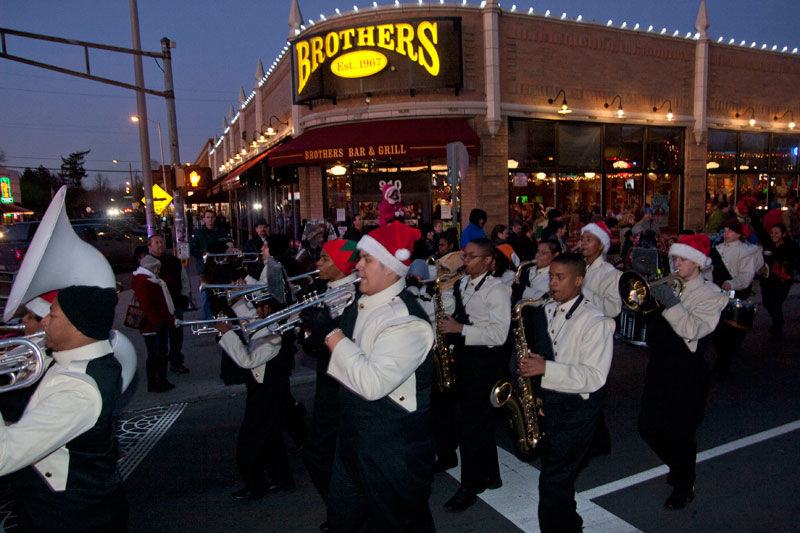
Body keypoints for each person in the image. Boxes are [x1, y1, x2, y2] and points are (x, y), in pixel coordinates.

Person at [298, 221, 436, 531]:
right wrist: (314, 333)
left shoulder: (408, 322)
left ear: (390, 268)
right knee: (342, 521)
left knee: (398, 522)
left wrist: (330, 333)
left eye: (367, 260)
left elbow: (372, 383)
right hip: (354, 440)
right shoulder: (360, 306)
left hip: (392, 449)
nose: (357, 266)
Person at [1, 286, 128, 531]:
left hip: (70, 516)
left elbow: (3, 456)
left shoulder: (79, 389)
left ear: (77, 326)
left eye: (52, 315)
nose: (44, 322)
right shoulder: (70, 359)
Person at [517, 253, 614, 532]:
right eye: (550, 276)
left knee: (552, 483)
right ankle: (571, 523)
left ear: (579, 280)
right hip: (553, 404)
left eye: (560, 277)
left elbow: (595, 377)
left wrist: (545, 368)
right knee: (559, 478)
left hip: (578, 411)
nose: (552, 282)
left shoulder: (596, 322)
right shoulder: (546, 309)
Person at [637, 235, 728, 510]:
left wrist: (670, 304)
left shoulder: (712, 295)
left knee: (682, 431)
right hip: (660, 365)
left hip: (688, 370)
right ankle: (679, 468)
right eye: (674, 258)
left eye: (682, 259)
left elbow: (693, 330)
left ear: (698, 263)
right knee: (648, 426)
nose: (676, 263)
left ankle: (684, 484)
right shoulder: (667, 284)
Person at [438, 238, 511, 511]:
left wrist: (460, 330)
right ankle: (492, 475)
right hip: (468, 358)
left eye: (470, 257)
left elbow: (500, 334)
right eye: (465, 256)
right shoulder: (463, 284)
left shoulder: (497, 291)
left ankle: (470, 485)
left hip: (486, 362)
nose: (464, 261)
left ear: (489, 261)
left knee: (470, 425)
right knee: (476, 423)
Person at [217, 289, 296, 501]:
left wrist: (226, 333)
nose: (254, 309)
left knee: (250, 440)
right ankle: (282, 479)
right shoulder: (265, 323)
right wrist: (237, 296)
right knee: (271, 437)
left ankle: (256, 484)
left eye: (258, 305)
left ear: (269, 308)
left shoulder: (275, 335)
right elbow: (248, 320)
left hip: (266, 391)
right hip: (262, 389)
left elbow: (246, 360)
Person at [301, 240, 359, 514]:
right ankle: (341, 510)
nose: (318, 263)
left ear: (340, 264)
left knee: (333, 453)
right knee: (321, 453)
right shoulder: (318, 290)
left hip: (348, 385)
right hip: (327, 383)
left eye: (324, 259)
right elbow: (310, 341)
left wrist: (321, 332)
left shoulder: (357, 294)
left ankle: (346, 512)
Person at [578, 222, 621, 458]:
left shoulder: (610, 274)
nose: (582, 243)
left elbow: (613, 308)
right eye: (582, 239)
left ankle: (593, 441)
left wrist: (582, 288)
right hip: (577, 332)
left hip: (596, 336)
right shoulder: (580, 267)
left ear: (601, 245)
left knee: (591, 388)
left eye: (588, 239)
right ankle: (598, 439)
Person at [709, 217, 760, 373]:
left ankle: (724, 361)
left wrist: (733, 283)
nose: (726, 234)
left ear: (738, 234)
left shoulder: (746, 252)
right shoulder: (717, 248)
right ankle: (723, 354)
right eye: (724, 231)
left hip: (734, 293)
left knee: (727, 328)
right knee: (715, 327)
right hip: (717, 292)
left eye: (730, 231)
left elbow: (746, 275)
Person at [132, 254, 176, 392]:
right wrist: (156, 321)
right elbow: (146, 304)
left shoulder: (153, 279)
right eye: (156, 268)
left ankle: (161, 380)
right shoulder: (144, 280)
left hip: (158, 322)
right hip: (152, 325)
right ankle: (154, 382)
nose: (158, 270)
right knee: (155, 354)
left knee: (161, 353)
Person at [148, 234, 190, 374]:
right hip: (158, 306)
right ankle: (161, 367)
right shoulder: (147, 263)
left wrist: (185, 296)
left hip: (175, 302)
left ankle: (176, 361)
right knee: (160, 337)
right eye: (156, 243)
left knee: (176, 334)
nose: (160, 245)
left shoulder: (173, 261)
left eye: (161, 242)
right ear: (150, 246)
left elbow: (184, 279)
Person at [752, 220, 798, 340]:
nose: (773, 235)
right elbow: (759, 230)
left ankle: (777, 327)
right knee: (767, 303)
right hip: (767, 280)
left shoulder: (790, 247)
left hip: (782, 281)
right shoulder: (769, 244)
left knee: (776, 304)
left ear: (783, 234)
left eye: (777, 233)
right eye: (772, 233)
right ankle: (778, 322)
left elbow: (792, 261)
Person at [190, 209, 233, 319]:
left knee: (222, 294)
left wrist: (229, 247)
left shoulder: (221, 231)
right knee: (206, 293)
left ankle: (222, 316)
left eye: (212, 217)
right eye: (207, 217)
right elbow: (193, 248)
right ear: (204, 219)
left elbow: (229, 242)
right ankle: (207, 319)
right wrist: (204, 254)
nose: (210, 220)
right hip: (205, 269)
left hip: (221, 267)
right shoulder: (199, 233)